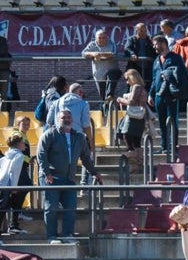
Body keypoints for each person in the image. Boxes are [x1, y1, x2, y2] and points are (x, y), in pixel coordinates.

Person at [36, 109, 101, 244]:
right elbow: (41, 155)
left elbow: (85, 158)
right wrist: (47, 173)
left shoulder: (79, 137)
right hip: (51, 178)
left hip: (69, 179)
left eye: (69, 117)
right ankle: (52, 237)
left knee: (71, 208)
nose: (66, 119)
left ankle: (67, 234)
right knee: (51, 208)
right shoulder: (49, 135)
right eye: (63, 117)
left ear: (72, 120)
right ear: (57, 119)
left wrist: (94, 172)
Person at [115, 69, 149, 165]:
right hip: (140, 116)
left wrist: (121, 99)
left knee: (127, 134)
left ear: (132, 78)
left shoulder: (136, 87)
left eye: (128, 79)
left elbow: (132, 102)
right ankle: (139, 162)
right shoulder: (141, 87)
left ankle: (132, 152)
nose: (127, 82)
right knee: (136, 140)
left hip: (134, 116)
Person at [81, 27, 121, 108]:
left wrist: (99, 54)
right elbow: (83, 53)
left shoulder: (112, 44)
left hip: (111, 72)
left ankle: (110, 98)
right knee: (103, 98)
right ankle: (105, 115)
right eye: (99, 38)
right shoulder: (92, 44)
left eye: (104, 38)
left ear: (107, 38)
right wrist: (93, 54)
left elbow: (113, 54)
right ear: (96, 38)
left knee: (109, 94)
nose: (102, 39)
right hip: (99, 75)